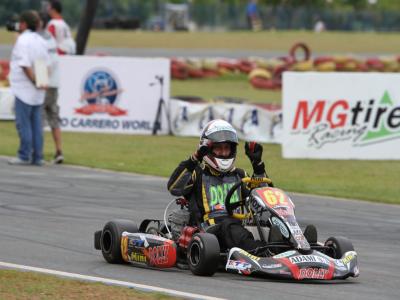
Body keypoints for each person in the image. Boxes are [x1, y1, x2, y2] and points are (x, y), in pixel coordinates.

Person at [167, 119, 274, 252]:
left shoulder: (240, 175)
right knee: (229, 225)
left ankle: (293, 246)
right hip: (208, 233)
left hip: (239, 230)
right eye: (218, 148)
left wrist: (258, 166)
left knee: (272, 222)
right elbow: (174, 188)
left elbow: (266, 201)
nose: (223, 153)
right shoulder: (197, 173)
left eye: (227, 148)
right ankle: (260, 251)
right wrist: (195, 158)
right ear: (208, 149)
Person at [8, 10, 49, 166]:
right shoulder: (41, 41)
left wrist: (34, 81)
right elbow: (44, 64)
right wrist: (42, 83)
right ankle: (38, 156)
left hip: (25, 88)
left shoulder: (23, 41)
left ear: (23, 24)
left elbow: (25, 65)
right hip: (38, 88)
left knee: (23, 123)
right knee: (36, 125)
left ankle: (24, 155)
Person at [43, 0, 76, 163]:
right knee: (54, 114)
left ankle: (37, 150)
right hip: (58, 70)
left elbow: (46, 47)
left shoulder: (51, 25)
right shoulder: (65, 24)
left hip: (48, 72)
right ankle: (59, 150)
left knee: (39, 114)